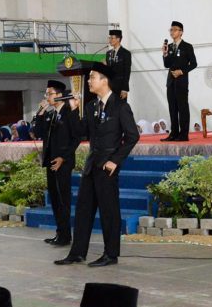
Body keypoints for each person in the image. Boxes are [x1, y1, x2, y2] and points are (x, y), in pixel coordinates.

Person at [55, 63, 139, 267]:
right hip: (91, 166)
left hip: (107, 168)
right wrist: (74, 110)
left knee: (109, 212)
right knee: (83, 211)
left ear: (104, 80)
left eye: (93, 77)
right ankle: (77, 253)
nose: (89, 81)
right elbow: (81, 133)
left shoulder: (120, 107)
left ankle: (111, 254)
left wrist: (115, 161)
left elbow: (132, 136)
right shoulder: (92, 106)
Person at [34, 80, 80, 246]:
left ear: (60, 95)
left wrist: (63, 158)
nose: (47, 97)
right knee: (54, 199)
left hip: (63, 162)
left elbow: (76, 138)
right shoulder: (49, 114)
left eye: (50, 93)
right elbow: (37, 132)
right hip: (50, 161)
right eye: (46, 94)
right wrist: (40, 112)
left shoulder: (69, 112)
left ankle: (66, 236)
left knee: (63, 200)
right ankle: (60, 233)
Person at [161, 21, 197, 142]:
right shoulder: (170, 47)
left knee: (182, 108)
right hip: (171, 81)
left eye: (175, 30)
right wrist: (164, 54)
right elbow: (167, 65)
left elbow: (194, 64)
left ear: (181, 32)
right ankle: (174, 133)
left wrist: (181, 71)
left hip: (181, 81)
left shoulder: (187, 46)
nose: (172, 32)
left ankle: (183, 134)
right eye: (170, 30)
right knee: (172, 108)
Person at [106, 29, 131, 100]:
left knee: (120, 109)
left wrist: (124, 89)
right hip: (110, 88)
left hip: (120, 88)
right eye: (109, 38)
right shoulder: (108, 53)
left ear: (118, 39)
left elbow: (127, 72)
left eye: (112, 38)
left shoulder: (126, 53)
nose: (110, 40)